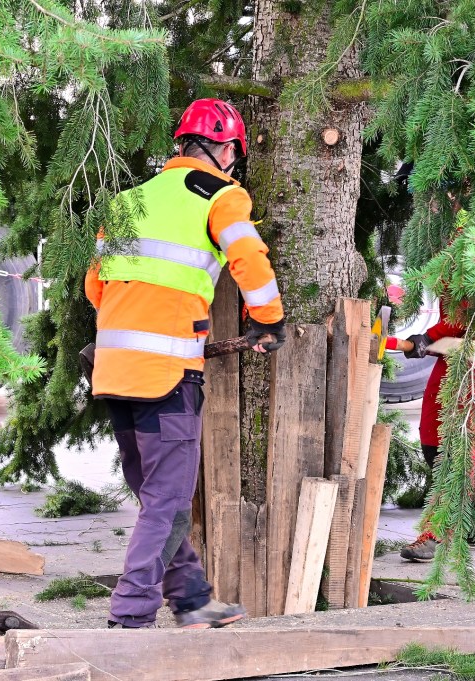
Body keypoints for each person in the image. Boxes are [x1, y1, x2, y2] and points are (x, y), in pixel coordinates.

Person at [85, 98, 285, 629]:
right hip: (168, 377)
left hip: (113, 371)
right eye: (233, 153)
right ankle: (130, 618)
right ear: (227, 150)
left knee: (159, 499)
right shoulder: (222, 195)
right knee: (168, 503)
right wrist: (269, 321)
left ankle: (192, 600)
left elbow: (94, 286)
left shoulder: (128, 199)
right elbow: (249, 259)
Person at [397, 297, 475, 561]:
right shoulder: (447, 273)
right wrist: (432, 344)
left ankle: (437, 533)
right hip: (453, 361)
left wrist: (429, 337)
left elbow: (467, 314)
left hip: (474, 367)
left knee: (454, 455)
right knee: (433, 442)